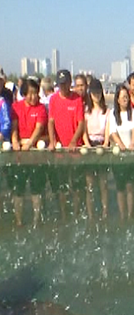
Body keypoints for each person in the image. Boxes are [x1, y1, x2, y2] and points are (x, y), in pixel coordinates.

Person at [9, 78, 48, 226]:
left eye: (35, 93)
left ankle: (36, 220)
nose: (33, 97)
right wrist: (14, 141)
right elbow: (14, 127)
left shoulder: (41, 108)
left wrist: (29, 143)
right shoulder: (16, 107)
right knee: (18, 190)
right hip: (19, 155)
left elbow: (39, 129)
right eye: (30, 94)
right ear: (24, 94)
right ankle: (18, 220)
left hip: (35, 154)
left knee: (36, 189)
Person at [108, 84, 134, 220]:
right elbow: (112, 132)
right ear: (117, 100)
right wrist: (120, 144)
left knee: (130, 186)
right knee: (120, 187)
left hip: (131, 156)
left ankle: (131, 213)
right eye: (122, 97)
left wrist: (132, 143)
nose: (125, 99)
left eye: (127, 97)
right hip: (118, 157)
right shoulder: (113, 114)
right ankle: (122, 215)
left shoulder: (133, 113)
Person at [82, 79, 109, 220]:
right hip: (89, 146)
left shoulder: (107, 111)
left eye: (98, 92)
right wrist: (87, 144)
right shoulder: (86, 110)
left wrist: (105, 145)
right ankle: (91, 214)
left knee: (103, 184)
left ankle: (105, 212)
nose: (96, 94)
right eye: (93, 92)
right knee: (90, 185)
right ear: (90, 93)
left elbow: (108, 131)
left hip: (102, 147)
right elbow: (84, 131)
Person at [48, 70, 85, 150]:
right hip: (59, 146)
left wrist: (74, 141)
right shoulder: (53, 99)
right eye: (61, 84)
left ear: (70, 83)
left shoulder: (77, 99)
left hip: (75, 146)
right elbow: (51, 121)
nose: (63, 86)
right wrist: (52, 140)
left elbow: (81, 123)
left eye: (65, 83)